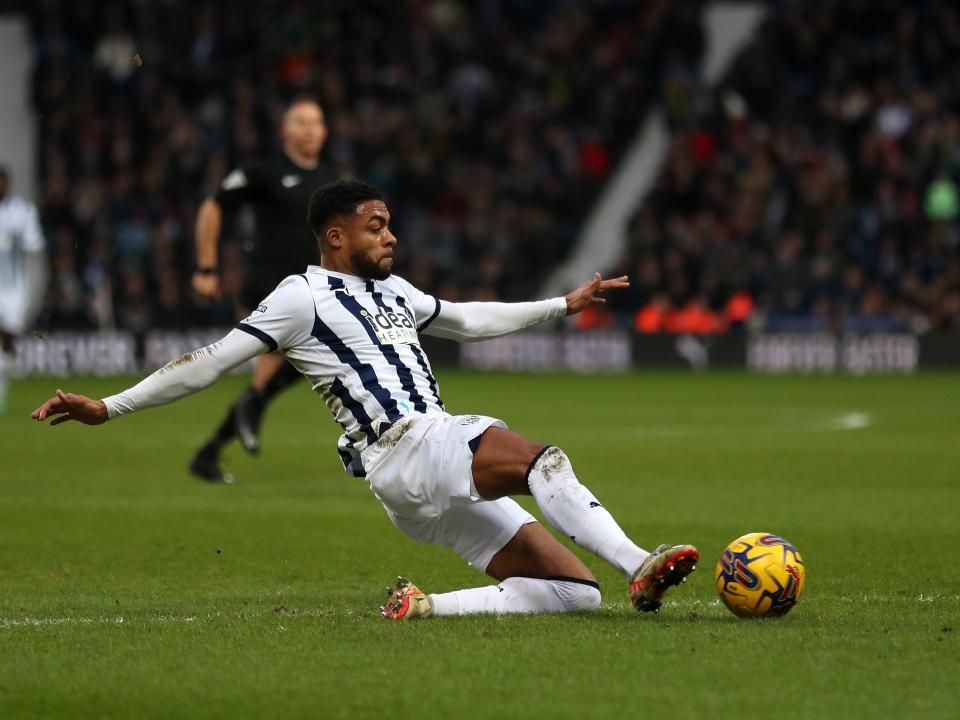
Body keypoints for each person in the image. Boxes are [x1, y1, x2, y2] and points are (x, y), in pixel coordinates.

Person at [32, 180, 699, 619]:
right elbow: (210, 362)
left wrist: (562, 304)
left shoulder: (396, 292)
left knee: (573, 594)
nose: (391, 237)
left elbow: (467, 319)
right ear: (335, 237)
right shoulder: (301, 296)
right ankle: (640, 566)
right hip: (407, 442)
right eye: (376, 227)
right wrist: (110, 406)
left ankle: (425, 606)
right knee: (542, 461)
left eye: (389, 227)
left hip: (409, 482)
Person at [189, 94, 336, 483]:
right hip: (268, 286)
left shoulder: (330, 181)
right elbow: (213, 206)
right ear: (284, 130)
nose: (309, 130)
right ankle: (245, 414)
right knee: (299, 362)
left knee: (281, 372)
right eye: (300, 122)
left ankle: (214, 447)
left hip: (311, 292)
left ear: (325, 132)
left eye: (316, 122)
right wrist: (206, 266)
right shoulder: (263, 171)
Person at [0, 165, 47, 414]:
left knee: (9, 335)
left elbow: (34, 245)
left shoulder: (22, 211)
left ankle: (2, 384)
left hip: (13, 287)